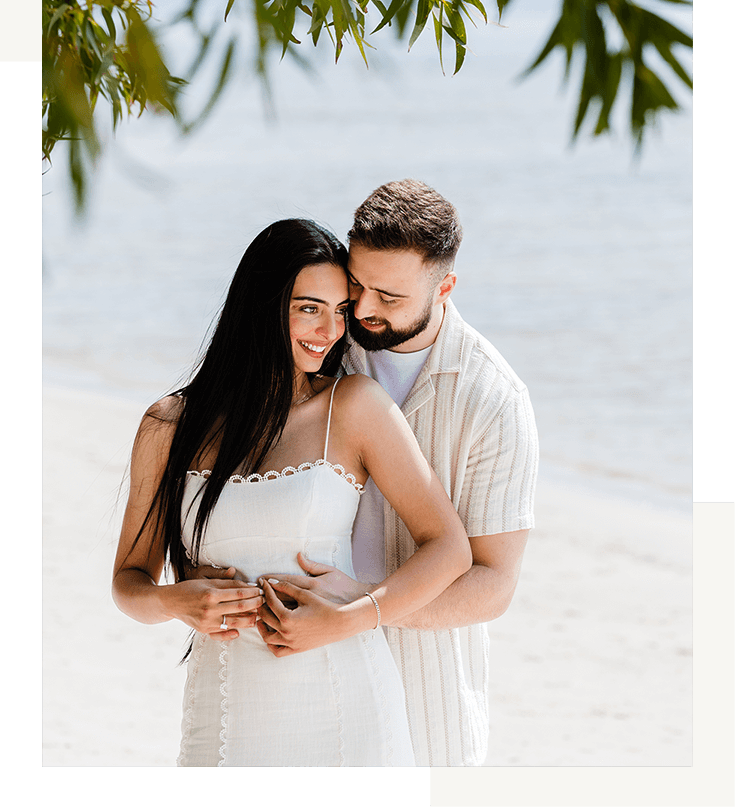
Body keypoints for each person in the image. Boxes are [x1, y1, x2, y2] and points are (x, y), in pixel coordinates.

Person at [189, 181, 539, 767]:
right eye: (358, 286)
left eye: (391, 296)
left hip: (429, 690)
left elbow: (494, 583)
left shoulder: (493, 400)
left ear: (444, 287)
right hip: (294, 678)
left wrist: (362, 610)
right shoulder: (323, 342)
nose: (365, 310)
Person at [111, 217, 472, 767]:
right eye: (309, 307)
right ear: (261, 304)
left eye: (341, 311)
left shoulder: (355, 407)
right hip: (223, 709)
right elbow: (128, 580)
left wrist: (353, 616)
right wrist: (171, 601)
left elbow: (449, 546)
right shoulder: (169, 425)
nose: (329, 330)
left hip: (343, 700)